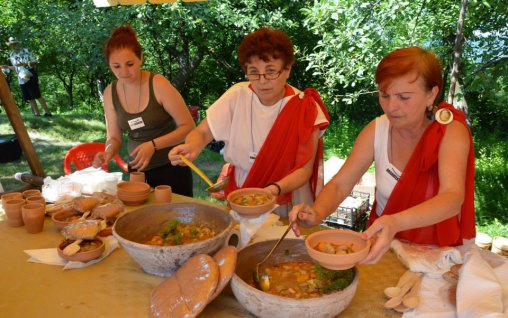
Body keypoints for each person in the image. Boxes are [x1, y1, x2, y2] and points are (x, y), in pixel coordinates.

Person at [289, 46, 476, 264]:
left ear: (431, 94)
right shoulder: (376, 130)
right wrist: (317, 212)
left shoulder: (450, 131)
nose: (391, 106)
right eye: (384, 95)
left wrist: (396, 222)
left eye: (403, 97)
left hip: (439, 253)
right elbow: (341, 183)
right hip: (384, 250)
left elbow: (452, 198)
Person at [168, 27, 329, 217]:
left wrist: (272, 190)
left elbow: (304, 170)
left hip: (287, 195)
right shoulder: (237, 96)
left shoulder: (306, 108)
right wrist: (192, 147)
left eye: (270, 71)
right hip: (242, 190)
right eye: (254, 72)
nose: (262, 81)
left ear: (287, 69)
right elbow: (202, 133)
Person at [92, 25, 195, 196]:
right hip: (138, 171)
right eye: (116, 66)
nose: (124, 72)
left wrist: (153, 145)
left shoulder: (158, 84)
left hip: (171, 166)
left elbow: (188, 127)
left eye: (130, 64)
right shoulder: (110, 92)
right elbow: (114, 137)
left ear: (140, 58)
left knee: (178, 218)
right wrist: (108, 152)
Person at [1, 37, 52, 117]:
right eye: (11, 44)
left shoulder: (26, 51)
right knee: (29, 97)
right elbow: (15, 67)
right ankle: (37, 114)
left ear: (18, 44)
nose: (13, 45)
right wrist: (7, 67)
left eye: (15, 43)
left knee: (37, 95)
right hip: (20, 77)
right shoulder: (11, 55)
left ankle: (47, 113)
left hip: (30, 74)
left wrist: (24, 64)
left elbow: (35, 62)